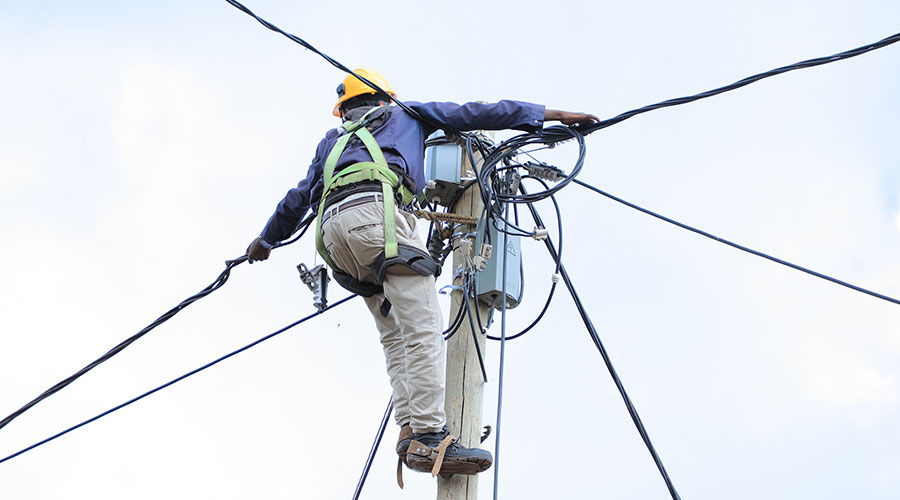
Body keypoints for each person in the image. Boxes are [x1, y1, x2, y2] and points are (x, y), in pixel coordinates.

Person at [245, 68, 597, 478]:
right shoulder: (407, 114)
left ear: (345, 110)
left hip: (334, 239)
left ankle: (409, 429)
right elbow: (478, 112)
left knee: (395, 334)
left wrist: (265, 241)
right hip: (378, 220)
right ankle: (431, 436)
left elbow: (297, 199)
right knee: (424, 328)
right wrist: (553, 115)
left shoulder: (332, 141)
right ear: (385, 99)